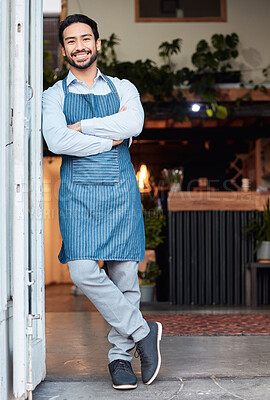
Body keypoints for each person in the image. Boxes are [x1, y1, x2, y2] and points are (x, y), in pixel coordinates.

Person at [42, 14, 162, 390]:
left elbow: (133, 125)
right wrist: (109, 139)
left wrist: (84, 128)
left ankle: (119, 359)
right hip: (78, 195)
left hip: (120, 191)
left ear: (97, 43)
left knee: (125, 277)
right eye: (71, 41)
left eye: (86, 38)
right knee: (82, 271)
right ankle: (142, 331)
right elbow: (57, 142)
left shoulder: (124, 87)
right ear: (63, 50)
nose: (79, 46)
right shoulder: (53, 95)